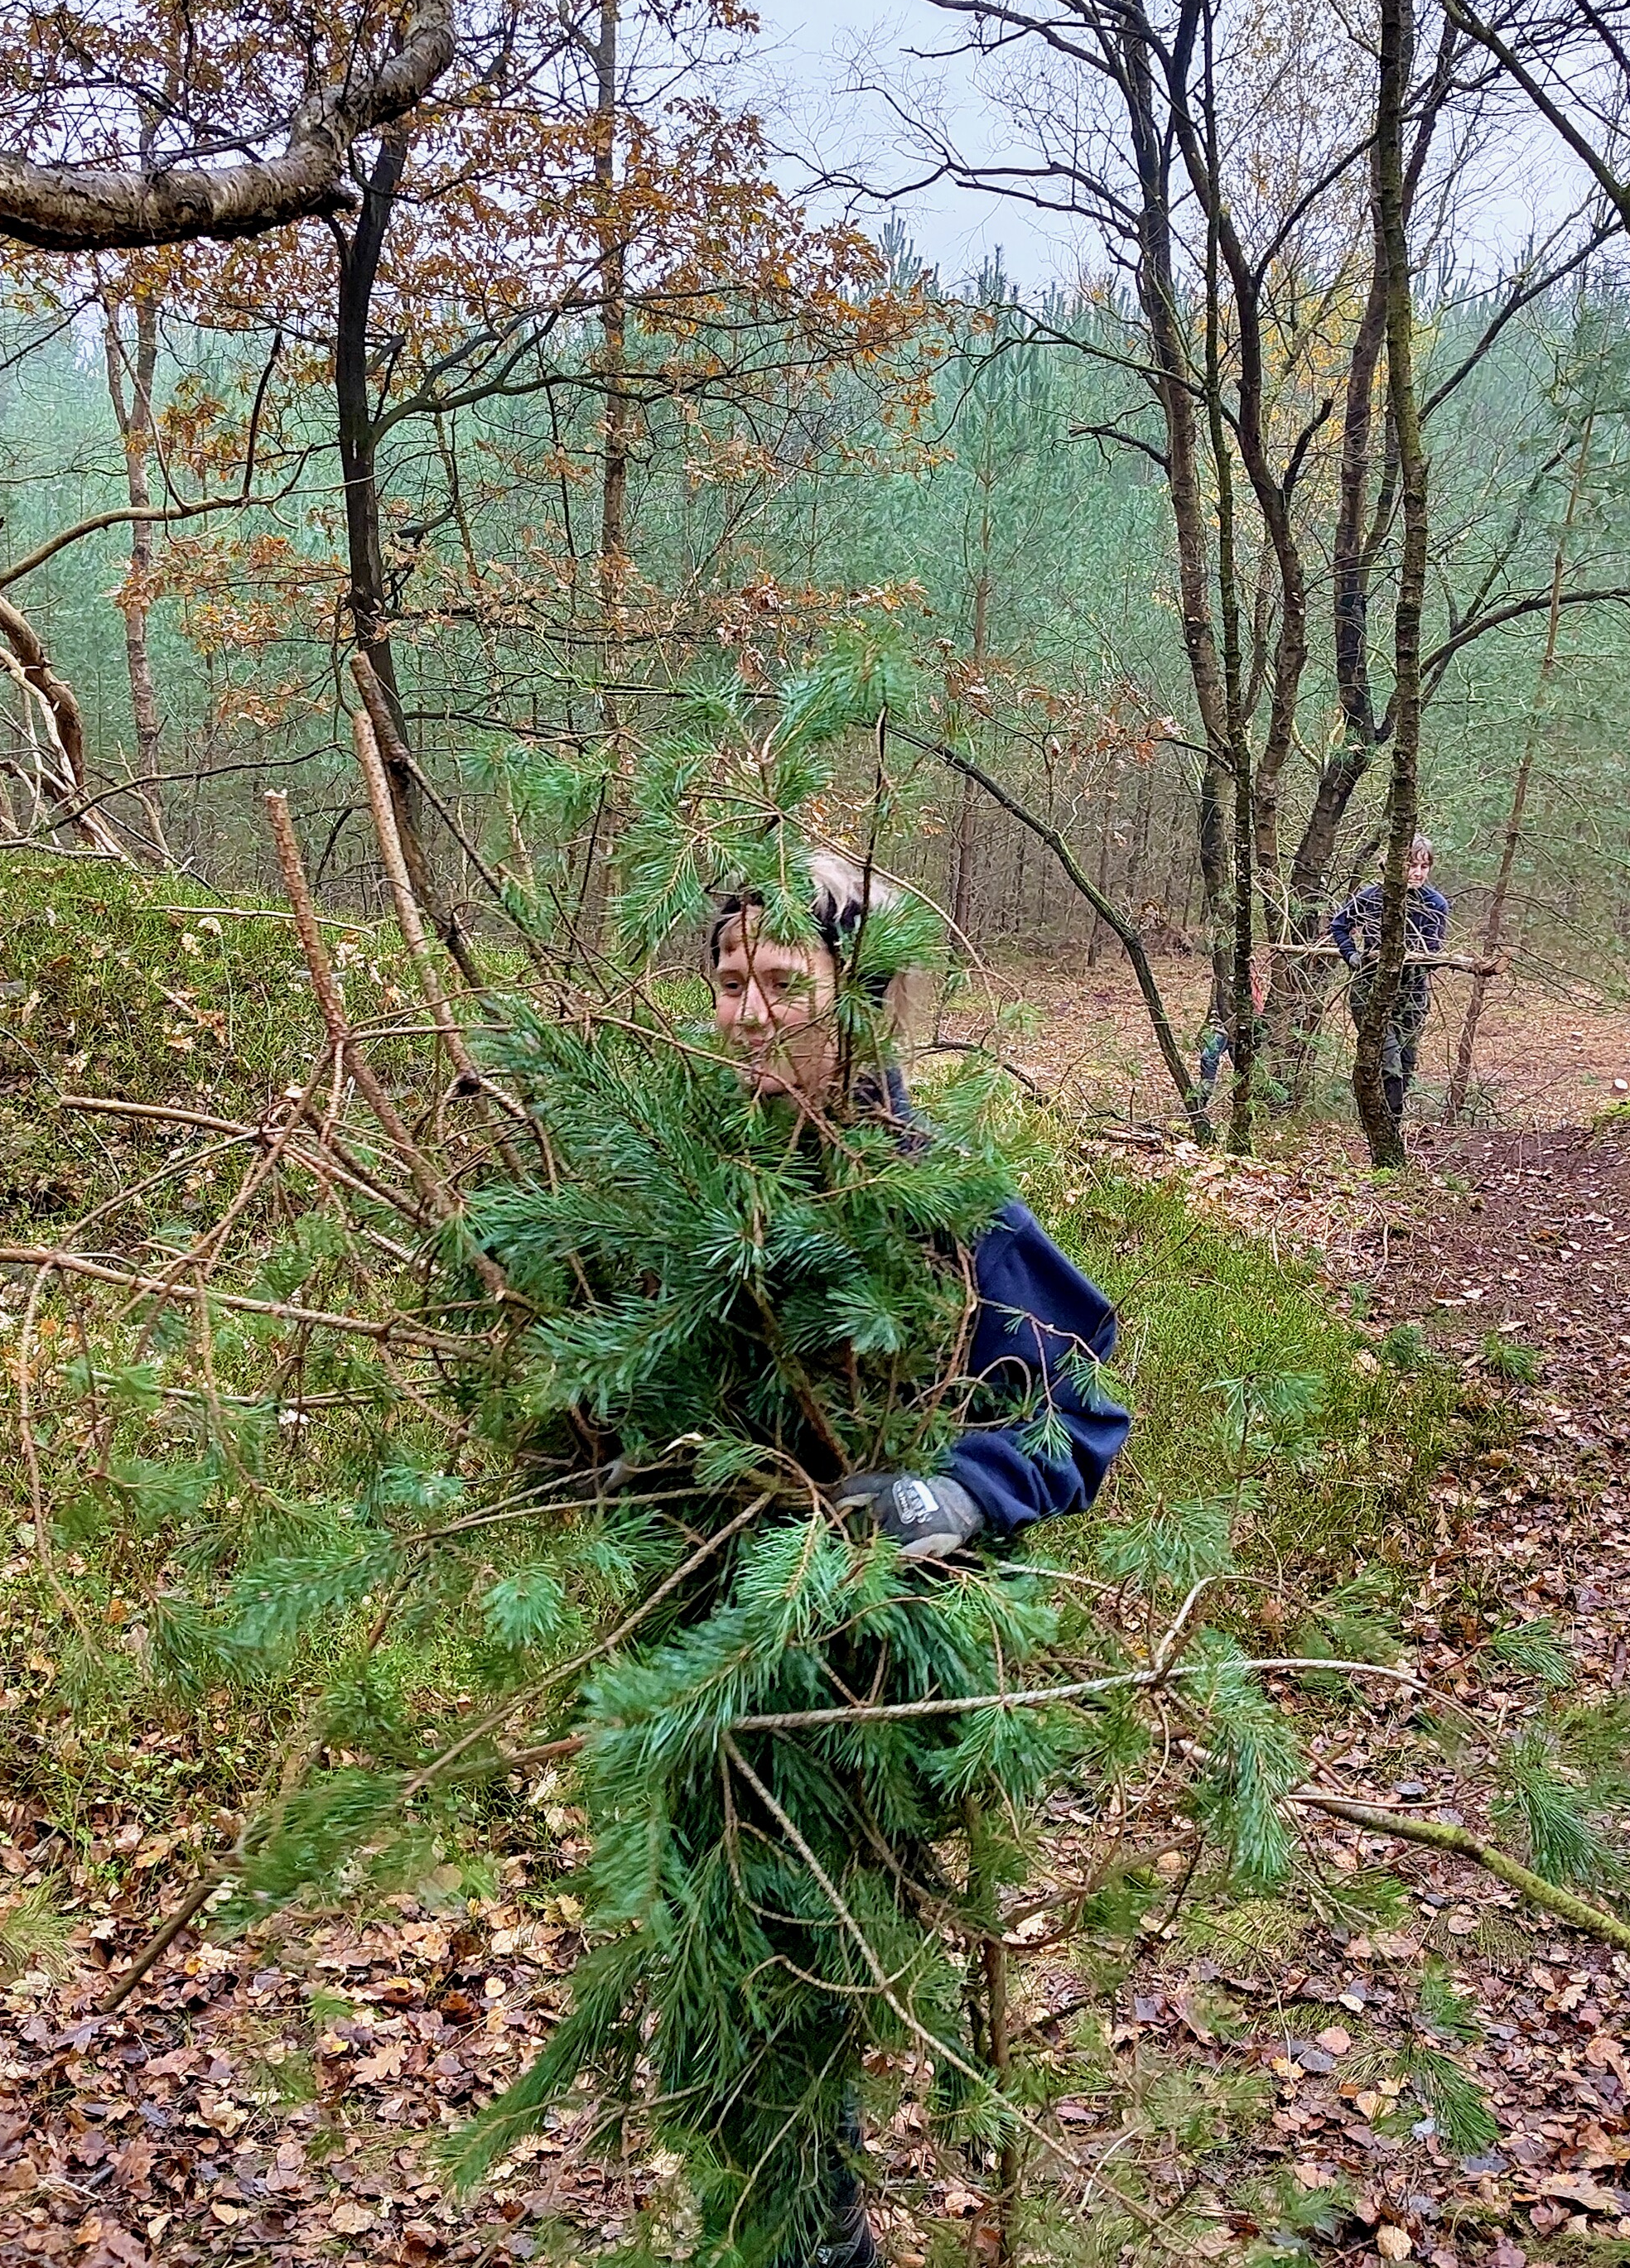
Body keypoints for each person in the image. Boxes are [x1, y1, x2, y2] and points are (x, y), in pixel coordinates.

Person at [705, 852, 1131, 2264]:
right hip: (703, 1670)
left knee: (794, 1988)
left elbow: (1080, 1414)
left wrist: (956, 1492)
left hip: (871, 1681)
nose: (749, 1012)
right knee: (719, 1994)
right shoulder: (693, 1184)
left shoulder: (942, 1195)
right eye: (727, 980)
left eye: (786, 982)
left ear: (861, 1001)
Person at [1329, 832, 1453, 1126]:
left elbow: (1434, 950)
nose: (1417, 873)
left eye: (1424, 867)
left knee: (1407, 1065)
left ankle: (1383, 1121)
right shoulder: (1373, 896)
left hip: (1412, 995)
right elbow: (1340, 925)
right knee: (1389, 1064)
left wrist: (1415, 960)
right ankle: (1387, 1132)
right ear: (1396, 865)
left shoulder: (1435, 904)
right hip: (1370, 991)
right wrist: (1353, 956)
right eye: (1412, 865)